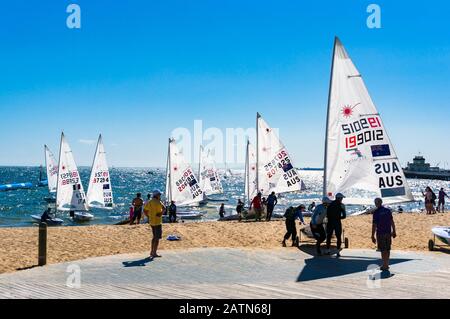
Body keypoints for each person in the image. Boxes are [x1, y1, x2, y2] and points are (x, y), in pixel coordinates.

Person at [371, 198, 396, 271]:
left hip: (381, 233)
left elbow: (374, 225)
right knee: (387, 249)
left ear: (376, 203)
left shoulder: (376, 212)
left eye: (375, 202)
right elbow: (392, 222)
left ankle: (384, 265)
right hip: (388, 232)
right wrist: (394, 231)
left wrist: (372, 235)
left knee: (383, 250)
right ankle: (386, 264)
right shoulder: (387, 211)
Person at [144, 190, 165, 258]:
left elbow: (145, 210)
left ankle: (152, 251)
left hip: (152, 221)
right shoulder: (158, 201)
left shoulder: (150, 201)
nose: (160, 196)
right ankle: (154, 253)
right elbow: (164, 208)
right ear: (156, 195)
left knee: (154, 237)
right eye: (159, 195)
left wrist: (148, 216)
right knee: (157, 238)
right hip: (157, 221)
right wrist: (161, 213)